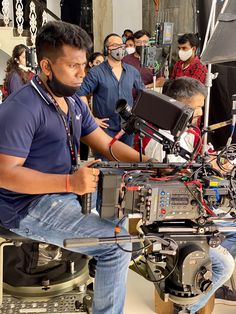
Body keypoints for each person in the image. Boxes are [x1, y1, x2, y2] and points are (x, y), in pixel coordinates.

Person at [0, 21, 149, 314]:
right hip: (26, 206)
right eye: (73, 66)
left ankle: (96, 268)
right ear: (46, 65)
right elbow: (5, 174)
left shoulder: (72, 100)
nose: (83, 73)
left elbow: (106, 144)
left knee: (133, 217)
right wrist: (70, 184)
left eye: (84, 65)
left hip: (64, 192)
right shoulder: (21, 108)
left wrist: (150, 164)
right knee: (116, 245)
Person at [144, 77, 236, 312]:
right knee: (225, 265)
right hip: (178, 220)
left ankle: (210, 281)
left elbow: (196, 161)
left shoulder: (183, 133)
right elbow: (175, 185)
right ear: (179, 106)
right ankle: (188, 307)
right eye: (197, 107)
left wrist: (213, 162)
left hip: (193, 210)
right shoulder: (160, 142)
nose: (201, 113)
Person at [77, 32, 145, 160]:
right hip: (105, 128)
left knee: (126, 163)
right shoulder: (96, 72)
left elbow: (143, 94)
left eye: (121, 45)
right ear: (107, 49)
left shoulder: (132, 72)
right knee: (105, 167)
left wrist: (137, 115)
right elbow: (80, 93)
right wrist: (91, 118)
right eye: (115, 45)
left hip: (127, 128)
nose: (119, 48)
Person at [79, 52, 105, 160]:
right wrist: (92, 118)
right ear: (90, 63)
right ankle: (83, 158)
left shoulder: (103, 77)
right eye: (97, 62)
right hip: (84, 111)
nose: (99, 65)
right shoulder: (86, 76)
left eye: (102, 63)